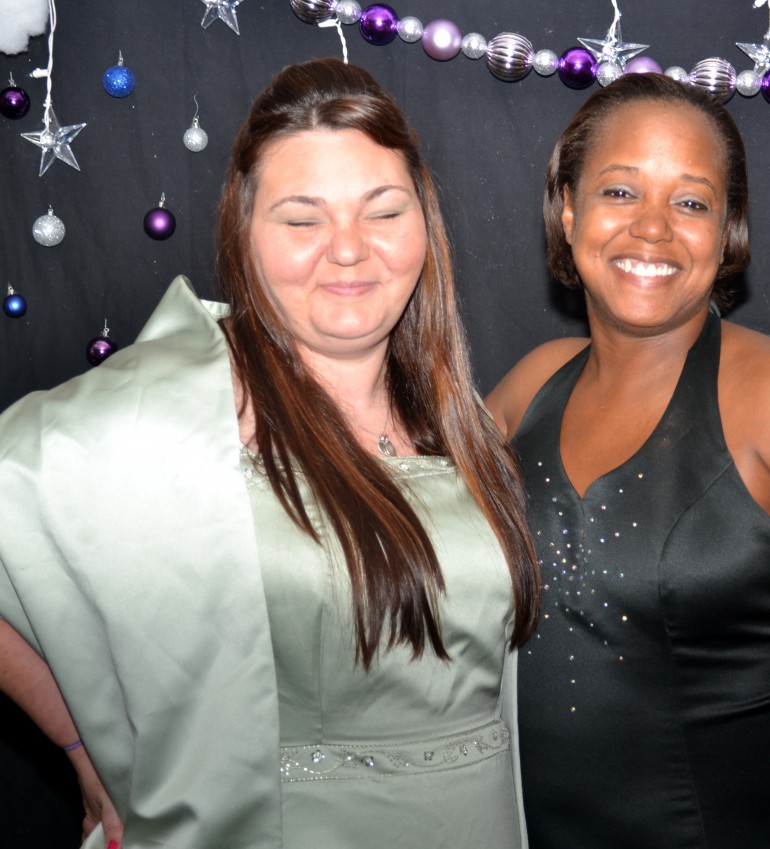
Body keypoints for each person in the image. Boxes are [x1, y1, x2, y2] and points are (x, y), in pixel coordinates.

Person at [0, 58, 538, 849]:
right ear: (244, 231)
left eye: (383, 211)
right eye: (302, 220)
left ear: (424, 222)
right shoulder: (181, 406)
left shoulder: (463, 420)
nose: (348, 250)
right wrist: (84, 746)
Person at [487, 73, 770, 849]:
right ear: (567, 209)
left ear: (727, 229)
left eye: (692, 203)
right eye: (620, 191)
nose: (653, 228)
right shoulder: (527, 389)